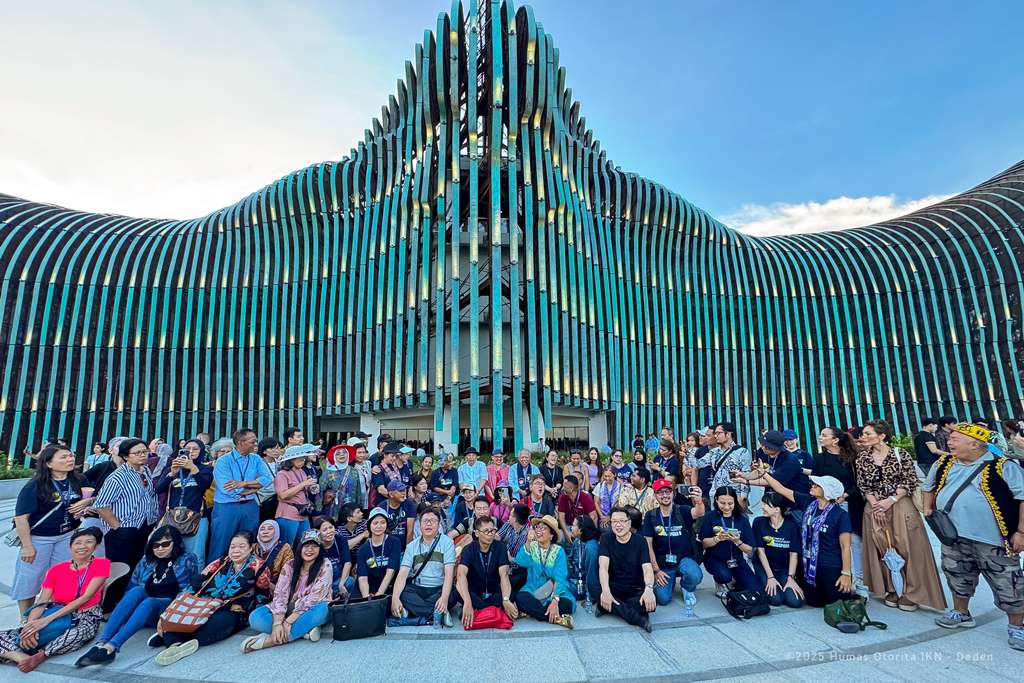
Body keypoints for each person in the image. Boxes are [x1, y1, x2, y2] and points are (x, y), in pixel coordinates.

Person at [922, 423, 1024, 650]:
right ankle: (961, 612)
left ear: (975, 443)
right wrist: (928, 510)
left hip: (994, 540)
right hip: (953, 536)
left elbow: (1023, 498)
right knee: (956, 574)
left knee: (1009, 582)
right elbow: (928, 486)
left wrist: (1021, 532)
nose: (949, 442)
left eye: (955, 439)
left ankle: (1017, 626)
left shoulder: (1003, 466)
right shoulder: (943, 463)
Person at [75, 526, 198, 667]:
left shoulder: (187, 559)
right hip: (143, 610)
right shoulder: (147, 561)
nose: (160, 548)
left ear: (175, 543)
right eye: (156, 545)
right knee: (136, 590)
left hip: (169, 609)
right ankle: (101, 643)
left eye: (165, 544)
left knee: (149, 601)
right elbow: (131, 586)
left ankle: (112, 646)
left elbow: (191, 589)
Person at [857, 420, 946, 611]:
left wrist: (890, 500)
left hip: (899, 504)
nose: (863, 437)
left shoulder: (900, 454)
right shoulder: (863, 457)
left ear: (882, 436)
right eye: (863, 434)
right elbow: (863, 484)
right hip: (874, 505)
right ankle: (891, 588)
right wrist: (875, 504)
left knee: (908, 546)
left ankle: (912, 592)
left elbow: (909, 480)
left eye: (868, 433)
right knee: (881, 547)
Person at [0, 527, 110, 673]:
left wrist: (46, 621)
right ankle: (19, 656)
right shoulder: (57, 570)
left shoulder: (102, 564)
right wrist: (31, 626)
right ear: (70, 547)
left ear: (96, 546)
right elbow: (42, 601)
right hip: (56, 612)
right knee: (20, 634)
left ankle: (42, 654)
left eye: (89, 542)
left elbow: (86, 597)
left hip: (85, 614)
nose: (83, 546)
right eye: (78, 543)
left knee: (78, 634)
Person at [742, 472, 855, 607]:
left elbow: (845, 546)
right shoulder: (809, 502)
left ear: (827, 492)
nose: (812, 486)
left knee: (834, 603)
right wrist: (764, 474)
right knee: (813, 602)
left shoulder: (840, 515)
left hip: (829, 565)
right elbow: (780, 489)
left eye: (817, 485)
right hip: (808, 565)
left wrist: (846, 573)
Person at [152, 531, 262, 666]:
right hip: (204, 604)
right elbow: (195, 584)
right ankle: (175, 642)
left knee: (209, 630)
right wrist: (174, 606)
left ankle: (171, 636)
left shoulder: (258, 566)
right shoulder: (220, 562)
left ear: (251, 548)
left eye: (241, 546)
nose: (236, 550)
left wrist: (254, 617)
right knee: (165, 608)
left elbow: (262, 595)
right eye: (232, 546)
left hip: (232, 610)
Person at [11, 444, 91, 612]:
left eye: (71, 456)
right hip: (39, 538)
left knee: (62, 577)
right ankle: (25, 618)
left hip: (67, 536)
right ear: (48, 463)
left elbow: (91, 497)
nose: (70, 459)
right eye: (63, 457)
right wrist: (27, 546)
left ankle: (50, 614)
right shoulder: (36, 485)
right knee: (30, 579)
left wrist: (88, 502)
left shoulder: (79, 480)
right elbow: (21, 518)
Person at [92, 437, 160, 608]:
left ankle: (124, 602)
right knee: (119, 568)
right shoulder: (118, 476)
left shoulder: (145, 470)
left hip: (143, 525)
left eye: (144, 451)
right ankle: (108, 606)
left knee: (134, 564)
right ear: (125, 456)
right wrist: (117, 526)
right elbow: (101, 505)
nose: (142, 455)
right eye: (137, 453)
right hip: (123, 529)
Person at [243, 529, 333, 652]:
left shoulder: (325, 564)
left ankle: (270, 641)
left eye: (314, 546)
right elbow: (280, 593)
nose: (310, 550)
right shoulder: (290, 565)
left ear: (320, 549)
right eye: (306, 546)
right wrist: (277, 624)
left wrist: (288, 622)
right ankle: (303, 632)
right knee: (255, 618)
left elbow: (314, 598)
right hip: (289, 607)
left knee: (323, 610)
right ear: (300, 547)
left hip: (312, 608)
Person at [813, 426, 864, 588]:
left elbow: (860, 483)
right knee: (830, 540)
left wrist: (845, 495)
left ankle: (859, 581)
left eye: (824, 435)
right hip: (827, 506)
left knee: (854, 541)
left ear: (835, 440)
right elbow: (815, 481)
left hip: (849, 505)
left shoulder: (853, 458)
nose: (820, 438)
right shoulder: (819, 459)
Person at [210, 429, 273, 562]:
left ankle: (245, 571)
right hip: (226, 507)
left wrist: (244, 483)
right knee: (221, 543)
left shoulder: (256, 458)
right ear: (240, 442)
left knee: (249, 541)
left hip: (250, 506)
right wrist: (253, 488)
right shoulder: (223, 461)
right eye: (252, 441)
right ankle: (214, 572)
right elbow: (227, 488)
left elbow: (267, 479)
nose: (256, 444)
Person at [642, 479, 704, 609]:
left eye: (667, 491)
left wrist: (699, 501)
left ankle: (687, 587)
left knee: (695, 575)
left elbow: (699, 512)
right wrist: (656, 570)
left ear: (673, 493)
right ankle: (669, 582)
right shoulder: (650, 516)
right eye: (660, 492)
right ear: (655, 495)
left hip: (684, 559)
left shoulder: (682, 510)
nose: (665, 495)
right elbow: (648, 545)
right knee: (663, 599)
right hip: (663, 565)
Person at [391, 508, 458, 625]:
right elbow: (402, 574)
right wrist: (394, 599)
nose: (428, 524)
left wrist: (444, 598)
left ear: (439, 525)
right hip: (418, 589)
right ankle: (439, 612)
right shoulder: (412, 546)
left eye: (433, 521)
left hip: (439, 588)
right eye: (425, 521)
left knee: (453, 594)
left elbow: (449, 574)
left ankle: (416, 611)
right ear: (419, 525)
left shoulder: (447, 543)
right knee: (401, 594)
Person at [155, 438, 213, 567]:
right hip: (173, 516)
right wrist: (172, 474)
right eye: (187, 449)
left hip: (197, 516)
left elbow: (204, 485)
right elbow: (159, 489)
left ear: (202, 451)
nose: (191, 452)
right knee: (169, 551)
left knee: (196, 555)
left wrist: (193, 468)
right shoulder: (173, 468)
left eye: (195, 449)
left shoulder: (206, 469)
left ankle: (195, 579)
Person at [598, 507, 657, 631]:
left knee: (649, 602)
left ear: (629, 523)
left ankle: (608, 607)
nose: (618, 525)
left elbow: (647, 568)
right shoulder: (606, 539)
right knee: (602, 593)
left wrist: (649, 589)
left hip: (634, 588)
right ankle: (638, 619)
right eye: (614, 522)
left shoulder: (640, 541)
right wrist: (606, 591)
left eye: (622, 521)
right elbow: (603, 567)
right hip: (614, 588)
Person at [513, 515, 575, 628]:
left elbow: (560, 577)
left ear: (551, 535)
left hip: (554, 590)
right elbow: (520, 561)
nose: (538, 530)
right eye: (537, 527)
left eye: (543, 528)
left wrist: (555, 600)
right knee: (521, 598)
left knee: (568, 605)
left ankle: (529, 612)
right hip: (533, 589)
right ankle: (557, 619)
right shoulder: (532, 546)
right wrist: (528, 542)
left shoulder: (559, 551)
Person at [456, 516, 519, 627]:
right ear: (477, 533)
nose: (490, 534)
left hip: (494, 591)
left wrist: (505, 599)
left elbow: (504, 575)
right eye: (486, 531)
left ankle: (480, 611)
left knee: (511, 595)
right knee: (458, 592)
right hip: (475, 592)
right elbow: (461, 575)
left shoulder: (501, 547)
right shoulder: (468, 549)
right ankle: (494, 611)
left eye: (493, 530)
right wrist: (467, 601)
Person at [699, 486, 757, 596]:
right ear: (716, 500)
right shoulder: (709, 517)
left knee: (755, 590)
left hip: (736, 560)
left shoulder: (742, 519)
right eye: (722, 503)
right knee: (724, 576)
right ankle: (721, 582)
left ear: (735, 502)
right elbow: (704, 543)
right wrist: (717, 539)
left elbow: (750, 550)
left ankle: (735, 580)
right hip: (715, 559)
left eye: (730, 503)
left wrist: (738, 542)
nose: (726, 507)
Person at [751, 492, 804, 608]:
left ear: (777, 509)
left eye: (766, 505)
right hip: (765, 566)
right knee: (776, 600)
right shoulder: (759, 522)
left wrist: (791, 578)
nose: (762, 507)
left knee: (794, 602)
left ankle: (782, 581)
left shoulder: (791, 526)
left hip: (784, 568)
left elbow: (793, 554)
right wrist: (770, 577)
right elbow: (760, 552)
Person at [694, 423, 751, 510]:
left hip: (734, 496)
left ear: (728, 434)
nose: (715, 436)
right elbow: (697, 464)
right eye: (715, 433)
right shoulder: (714, 452)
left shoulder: (742, 452)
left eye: (718, 433)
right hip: (716, 495)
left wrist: (743, 497)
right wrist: (688, 453)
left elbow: (746, 475)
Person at [274, 444, 318, 547]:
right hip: (288, 514)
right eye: (300, 458)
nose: (303, 460)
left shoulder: (301, 471)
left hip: (303, 514)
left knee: (306, 543)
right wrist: (303, 484)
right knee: (287, 546)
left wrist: (312, 488)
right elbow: (283, 495)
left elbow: (304, 490)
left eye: (303, 458)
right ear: (291, 460)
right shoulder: (282, 474)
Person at [357, 508, 402, 597]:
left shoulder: (394, 542)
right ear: (369, 525)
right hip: (370, 585)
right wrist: (366, 597)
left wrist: (379, 594)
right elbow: (362, 577)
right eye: (375, 523)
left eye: (382, 522)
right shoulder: (362, 549)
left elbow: (391, 571)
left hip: (390, 584)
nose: (379, 526)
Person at [313, 516, 354, 597]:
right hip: (320, 582)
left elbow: (347, 563)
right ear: (317, 532)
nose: (329, 532)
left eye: (331, 527)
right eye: (325, 530)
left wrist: (341, 584)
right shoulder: (314, 544)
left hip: (337, 581)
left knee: (349, 581)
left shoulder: (341, 540)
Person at [253, 520, 294, 597]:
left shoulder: (285, 548)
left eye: (270, 529)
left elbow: (288, 573)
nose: (265, 532)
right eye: (262, 529)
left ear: (276, 532)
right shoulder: (253, 547)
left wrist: (270, 585)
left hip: (275, 591)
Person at [498, 503, 531, 593]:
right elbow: (497, 537)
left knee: (508, 584)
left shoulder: (527, 535)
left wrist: (510, 558)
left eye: (510, 514)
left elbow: (525, 562)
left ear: (515, 519)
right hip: (502, 563)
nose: (508, 516)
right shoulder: (508, 525)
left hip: (518, 569)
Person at [556, 475, 598, 542]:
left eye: (564, 486)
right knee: (559, 537)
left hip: (582, 528)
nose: (562, 488)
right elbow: (561, 517)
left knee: (582, 540)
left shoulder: (585, 497)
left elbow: (594, 517)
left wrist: (592, 535)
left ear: (571, 488)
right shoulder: (563, 497)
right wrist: (566, 533)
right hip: (569, 526)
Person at [570, 515, 601, 603]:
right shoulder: (577, 541)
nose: (571, 528)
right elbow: (570, 560)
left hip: (584, 586)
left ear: (581, 530)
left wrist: (591, 596)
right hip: (575, 578)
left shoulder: (591, 548)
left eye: (573, 525)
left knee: (557, 587)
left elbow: (592, 576)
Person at [380, 479, 417, 550]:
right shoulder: (382, 507)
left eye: (404, 490)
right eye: (400, 491)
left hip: (404, 547)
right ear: (391, 494)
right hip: (387, 547)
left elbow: (410, 531)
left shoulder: (409, 504)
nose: (404, 493)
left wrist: (408, 551)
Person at [255, 437, 283, 523]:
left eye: (277, 448)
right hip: (265, 500)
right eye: (272, 448)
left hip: (279, 498)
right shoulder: (258, 464)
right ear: (264, 451)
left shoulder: (281, 463)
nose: (276, 450)